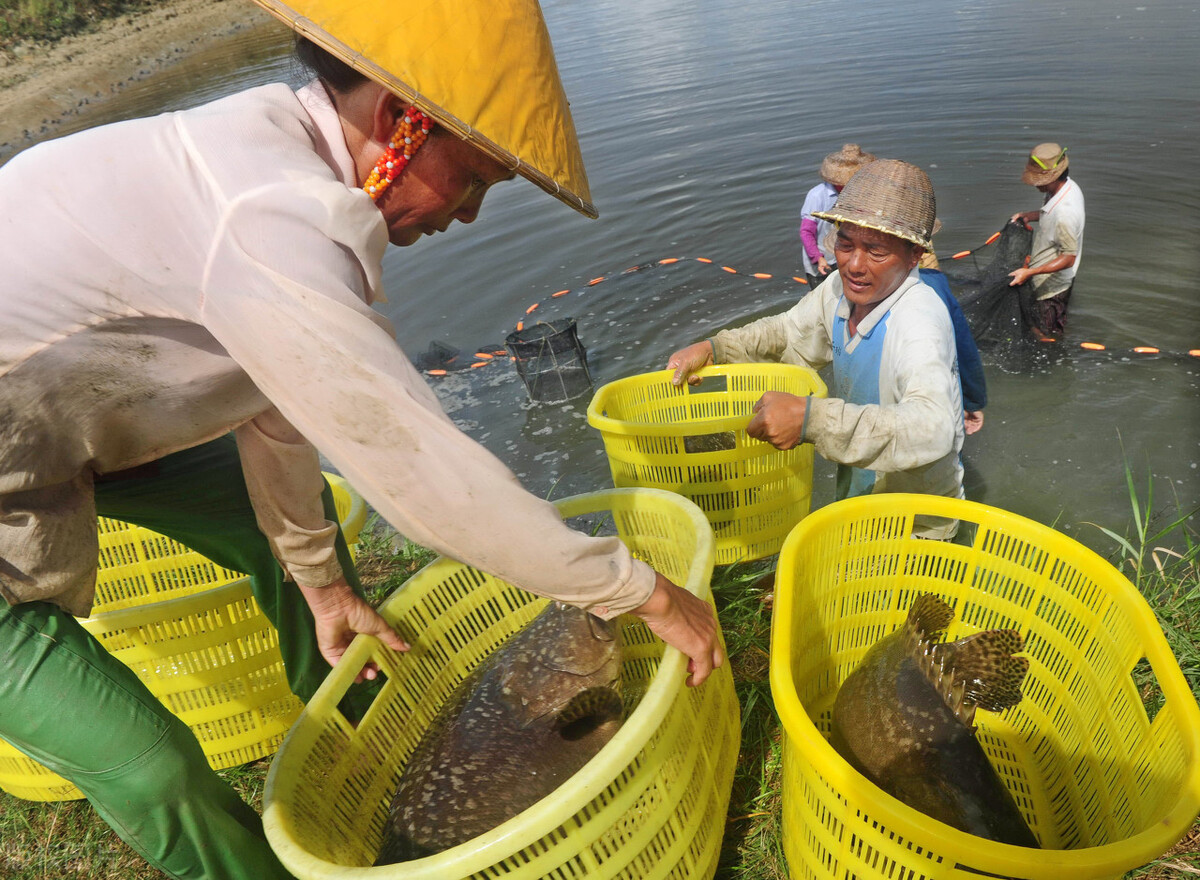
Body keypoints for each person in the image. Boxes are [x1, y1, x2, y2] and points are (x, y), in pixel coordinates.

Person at [0, 2, 723, 877]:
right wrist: (636, 590)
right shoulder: (267, 212)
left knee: (300, 548)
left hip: (71, 426)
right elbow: (419, 475)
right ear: (395, 120)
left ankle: (352, 739)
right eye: (473, 180)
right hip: (26, 444)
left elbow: (277, 402)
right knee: (150, 767)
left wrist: (325, 583)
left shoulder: (269, 157)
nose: (465, 217)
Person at [669, 159, 964, 539]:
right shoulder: (840, 290)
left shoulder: (918, 320)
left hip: (914, 520)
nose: (854, 265)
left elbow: (932, 429)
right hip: (862, 488)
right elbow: (788, 332)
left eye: (876, 251)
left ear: (913, 255)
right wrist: (717, 348)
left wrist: (812, 420)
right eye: (845, 244)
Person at [1007, 142, 1085, 338]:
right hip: (1042, 278)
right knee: (1036, 327)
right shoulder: (1066, 188)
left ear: (1054, 177)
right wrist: (1029, 215)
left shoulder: (1065, 213)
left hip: (1052, 290)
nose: (1035, 184)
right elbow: (1050, 215)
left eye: (1038, 180)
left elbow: (1069, 258)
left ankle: (1054, 361)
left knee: (1046, 337)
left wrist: (1030, 272)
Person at [919, 245, 987, 435]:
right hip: (930, 404)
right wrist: (972, 401)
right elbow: (963, 348)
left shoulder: (842, 285)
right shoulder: (935, 284)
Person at [799, 143, 876, 289]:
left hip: (847, 254)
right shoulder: (817, 196)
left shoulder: (859, 193)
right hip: (821, 257)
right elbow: (806, 231)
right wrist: (818, 258)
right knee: (824, 296)